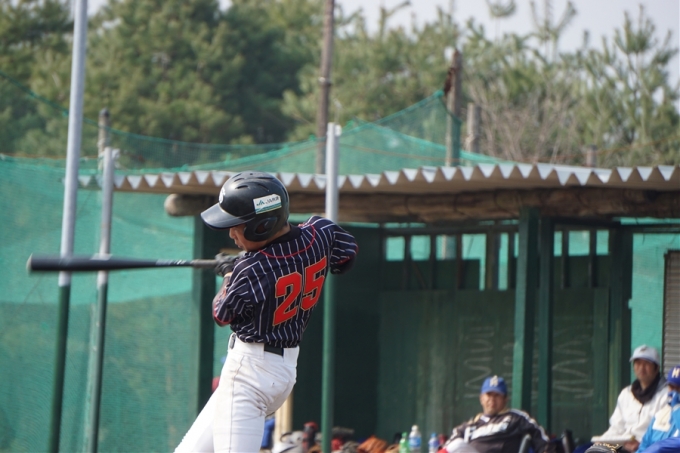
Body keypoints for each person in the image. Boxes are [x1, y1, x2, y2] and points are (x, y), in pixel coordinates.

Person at [175, 171, 358, 453]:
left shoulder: (250, 269)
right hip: (282, 371)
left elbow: (221, 313)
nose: (231, 233)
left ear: (262, 226)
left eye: (237, 226)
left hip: (248, 376)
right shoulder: (320, 232)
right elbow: (346, 258)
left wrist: (229, 274)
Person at [442, 375, 550, 453]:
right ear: (481, 399)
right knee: (457, 445)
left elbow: (541, 438)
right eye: (489, 395)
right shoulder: (469, 426)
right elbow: (448, 447)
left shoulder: (516, 417)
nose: (492, 399)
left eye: (497, 395)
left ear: (505, 399)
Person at [591, 345, 668, 453]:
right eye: (638, 363)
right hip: (623, 445)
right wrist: (603, 441)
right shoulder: (626, 393)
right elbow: (617, 427)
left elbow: (664, 432)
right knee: (587, 450)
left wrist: (641, 444)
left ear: (657, 368)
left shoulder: (666, 394)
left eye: (646, 364)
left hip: (647, 447)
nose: (641, 368)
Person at [637, 365, 680, 452]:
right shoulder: (660, 415)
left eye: (678, 388)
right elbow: (644, 445)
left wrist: (677, 408)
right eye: (671, 387)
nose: (674, 392)